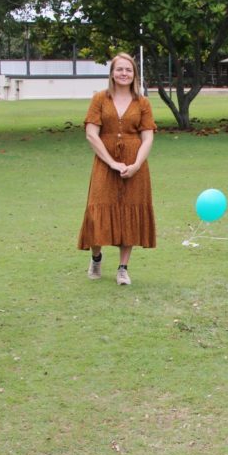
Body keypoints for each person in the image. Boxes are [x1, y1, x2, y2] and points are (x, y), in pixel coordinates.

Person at [78, 52, 157, 285]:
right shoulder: (100, 99)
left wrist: (136, 165)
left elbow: (148, 137)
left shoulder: (142, 102)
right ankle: (96, 257)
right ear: (112, 73)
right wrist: (111, 162)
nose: (124, 73)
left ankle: (123, 267)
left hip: (135, 164)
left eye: (128, 70)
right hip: (105, 162)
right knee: (98, 209)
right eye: (120, 69)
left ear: (134, 74)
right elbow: (91, 134)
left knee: (130, 212)